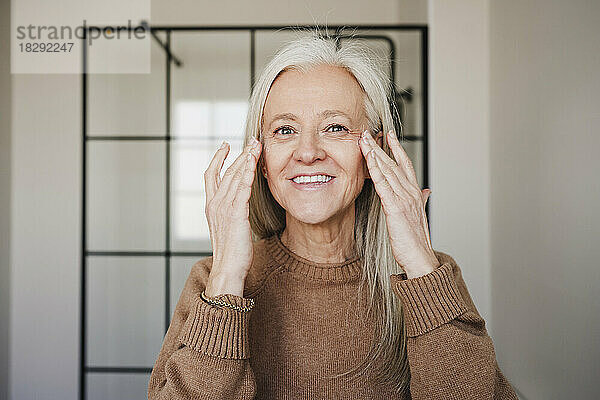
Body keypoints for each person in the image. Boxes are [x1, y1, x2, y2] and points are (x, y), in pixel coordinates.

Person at [148, 31, 518, 399]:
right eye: (285, 130)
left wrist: (421, 266)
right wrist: (227, 279)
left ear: (372, 155)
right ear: (261, 161)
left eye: (336, 127)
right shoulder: (210, 281)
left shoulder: (430, 277)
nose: (307, 152)